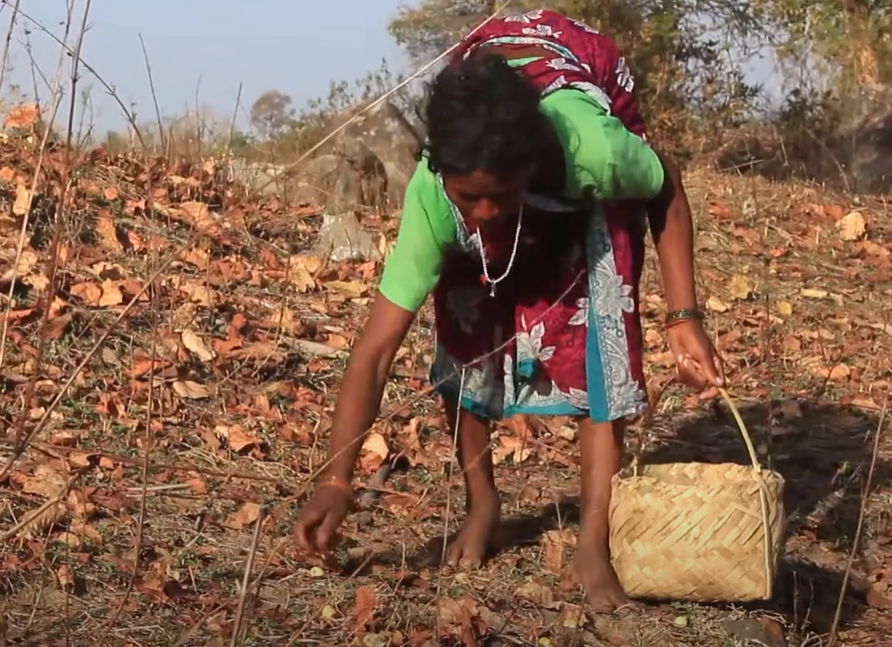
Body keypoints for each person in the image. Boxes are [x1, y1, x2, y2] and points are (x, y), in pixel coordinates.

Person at [293, 9, 725, 612]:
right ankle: (482, 504)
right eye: (471, 198)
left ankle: (593, 545)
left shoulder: (592, 151)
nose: (489, 212)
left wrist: (684, 319)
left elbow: (667, 188)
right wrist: (337, 480)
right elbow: (375, 352)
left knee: (599, 330)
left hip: (579, 141)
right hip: (496, 120)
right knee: (464, 323)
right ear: (442, 176)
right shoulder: (434, 193)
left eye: (503, 194)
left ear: (529, 168)